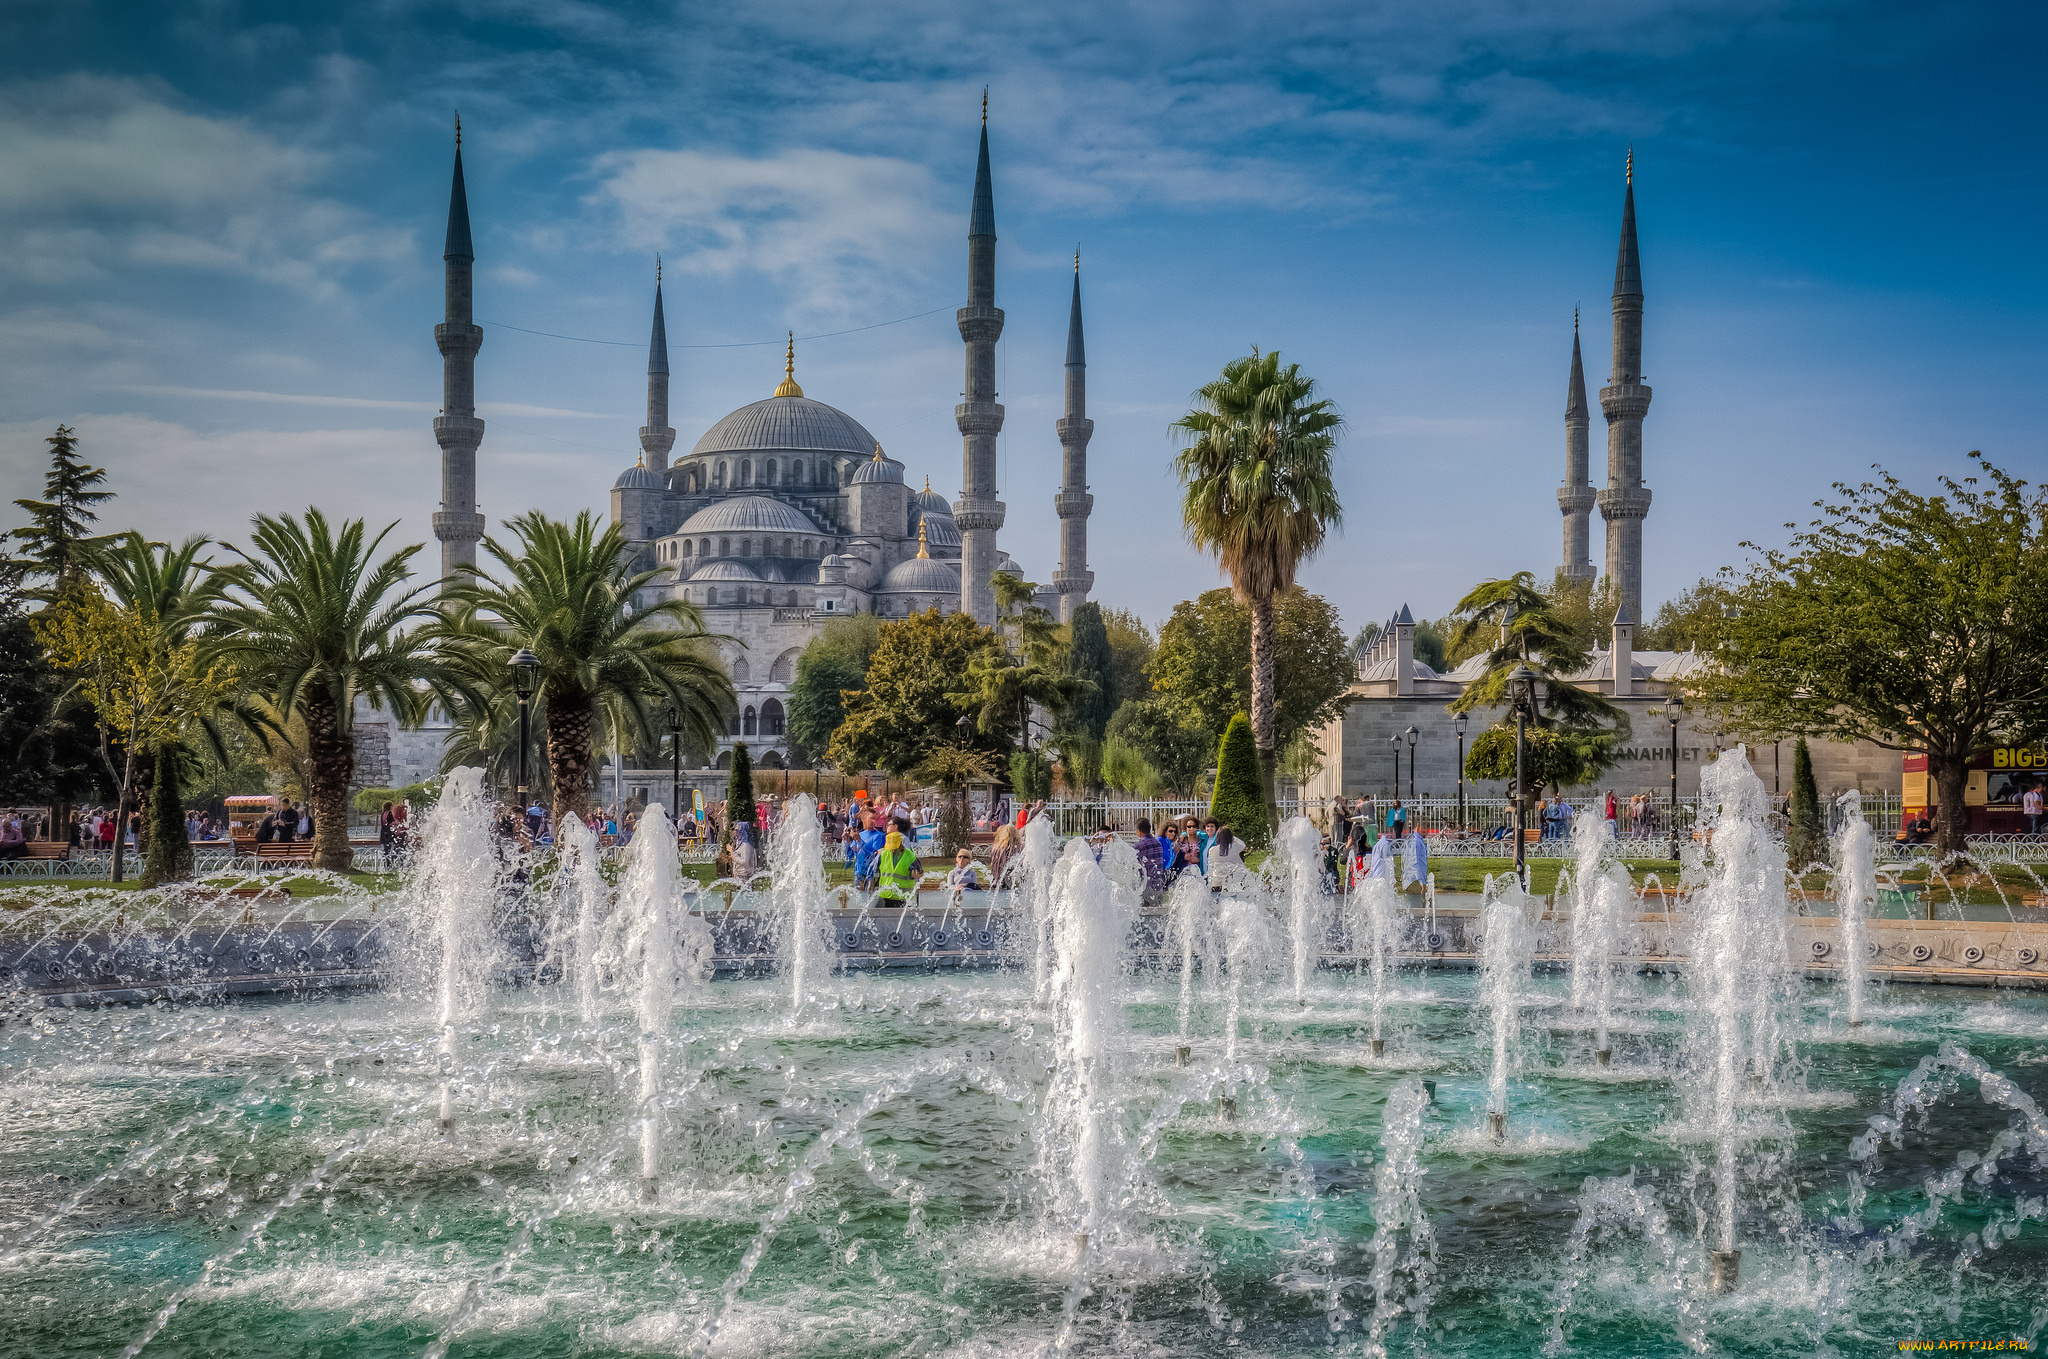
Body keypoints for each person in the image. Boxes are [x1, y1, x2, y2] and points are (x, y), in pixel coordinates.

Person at [875, 819, 921, 904]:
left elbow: (911, 862)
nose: (887, 826)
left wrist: (914, 872)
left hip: (901, 894)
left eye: (889, 824)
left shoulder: (903, 843)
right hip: (888, 893)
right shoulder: (887, 848)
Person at [1132, 818, 1167, 893]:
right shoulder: (1158, 844)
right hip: (1158, 885)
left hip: (1145, 887)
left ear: (1139, 831)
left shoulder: (1138, 846)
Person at [854, 812, 887, 892]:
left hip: (870, 872)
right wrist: (846, 841)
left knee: (868, 897)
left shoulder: (878, 835)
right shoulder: (860, 834)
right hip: (858, 870)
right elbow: (852, 852)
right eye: (872, 818)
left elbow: (874, 851)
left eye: (875, 819)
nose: (874, 821)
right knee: (858, 897)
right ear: (864, 819)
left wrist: (860, 841)